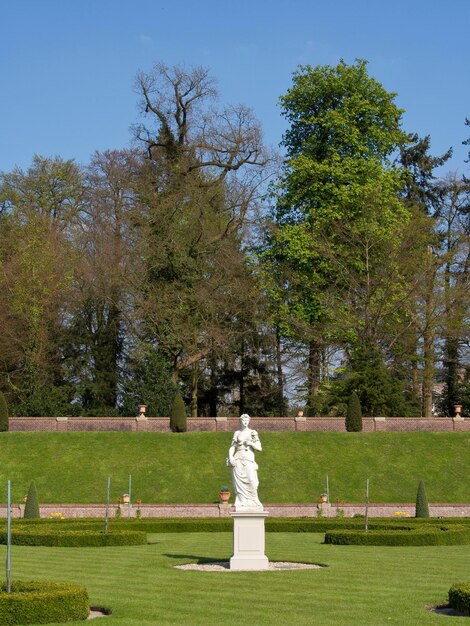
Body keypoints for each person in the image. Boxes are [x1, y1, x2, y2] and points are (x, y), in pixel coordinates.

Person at [227, 414, 263, 509]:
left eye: (247, 420)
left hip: (248, 458)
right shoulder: (237, 433)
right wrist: (230, 457)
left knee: (252, 480)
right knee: (239, 483)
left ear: (249, 421)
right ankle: (242, 502)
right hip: (238, 458)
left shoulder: (253, 432)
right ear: (240, 421)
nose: (245, 422)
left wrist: (251, 443)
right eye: (243, 420)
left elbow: (259, 448)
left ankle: (254, 500)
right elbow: (232, 447)